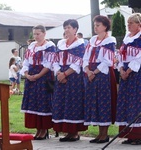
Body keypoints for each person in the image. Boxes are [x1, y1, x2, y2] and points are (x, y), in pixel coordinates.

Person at [83, 15, 117, 143]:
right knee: (94, 103)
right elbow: (85, 57)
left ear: (105, 26)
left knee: (103, 102)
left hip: (103, 74)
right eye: (94, 25)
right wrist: (87, 70)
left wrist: (94, 72)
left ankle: (105, 133)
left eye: (98, 25)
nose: (95, 27)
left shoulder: (110, 40)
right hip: (91, 73)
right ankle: (99, 133)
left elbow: (107, 61)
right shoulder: (92, 40)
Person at [52, 19, 87, 142]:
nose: (66, 30)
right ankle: (67, 132)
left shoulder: (80, 45)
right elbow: (55, 60)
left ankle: (74, 132)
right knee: (62, 102)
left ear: (75, 29)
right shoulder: (61, 44)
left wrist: (66, 74)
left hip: (74, 78)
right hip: (61, 76)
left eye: (69, 27)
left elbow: (79, 62)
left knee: (73, 103)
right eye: (65, 27)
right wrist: (59, 73)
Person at [20, 25, 56, 140]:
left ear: (44, 34)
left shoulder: (49, 46)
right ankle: (38, 129)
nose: (36, 36)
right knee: (33, 102)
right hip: (31, 76)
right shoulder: (31, 46)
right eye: (34, 34)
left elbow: (49, 64)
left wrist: (38, 75)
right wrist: (26, 74)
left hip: (43, 77)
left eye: (38, 34)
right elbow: (26, 61)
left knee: (43, 102)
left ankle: (44, 129)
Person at [115, 13, 141, 145]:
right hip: (125, 74)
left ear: (139, 24)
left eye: (131, 23)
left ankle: (138, 135)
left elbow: (138, 58)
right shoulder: (126, 38)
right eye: (128, 23)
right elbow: (120, 56)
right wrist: (121, 69)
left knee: (136, 103)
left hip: (136, 75)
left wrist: (129, 71)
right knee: (126, 102)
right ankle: (129, 134)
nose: (128, 25)